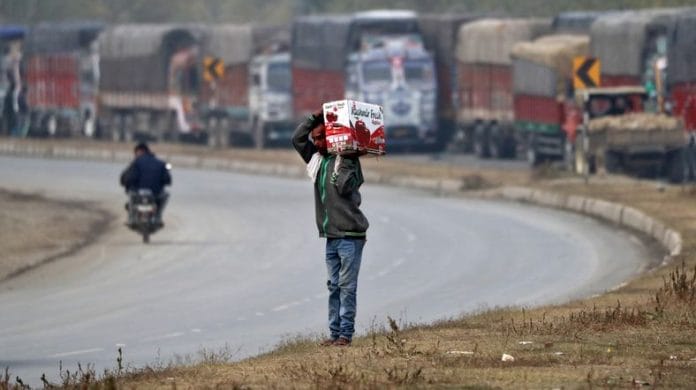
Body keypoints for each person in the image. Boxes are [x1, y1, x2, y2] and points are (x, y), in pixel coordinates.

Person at [292, 110, 369, 347]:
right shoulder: (319, 161)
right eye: (315, 139)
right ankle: (334, 334)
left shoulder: (348, 162)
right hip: (331, 236)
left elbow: (345, 188)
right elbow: (297, 139)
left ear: (333, 137)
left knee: (347, 286)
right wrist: (313, 119)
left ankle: (345, 334)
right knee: (333, 286)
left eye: (321, 138)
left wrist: (345, 157)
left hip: (350, 235)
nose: (316, 143)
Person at [120, 142, 171, 226]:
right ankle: (158, 216)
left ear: (139, 152)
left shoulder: (136, 163)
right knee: (165, 195)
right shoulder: (160, 163)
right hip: (155, 193)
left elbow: (128, 177)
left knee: (131, 196)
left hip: (137, 192)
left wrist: (126, 184)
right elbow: (167, 180)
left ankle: (131, 218)